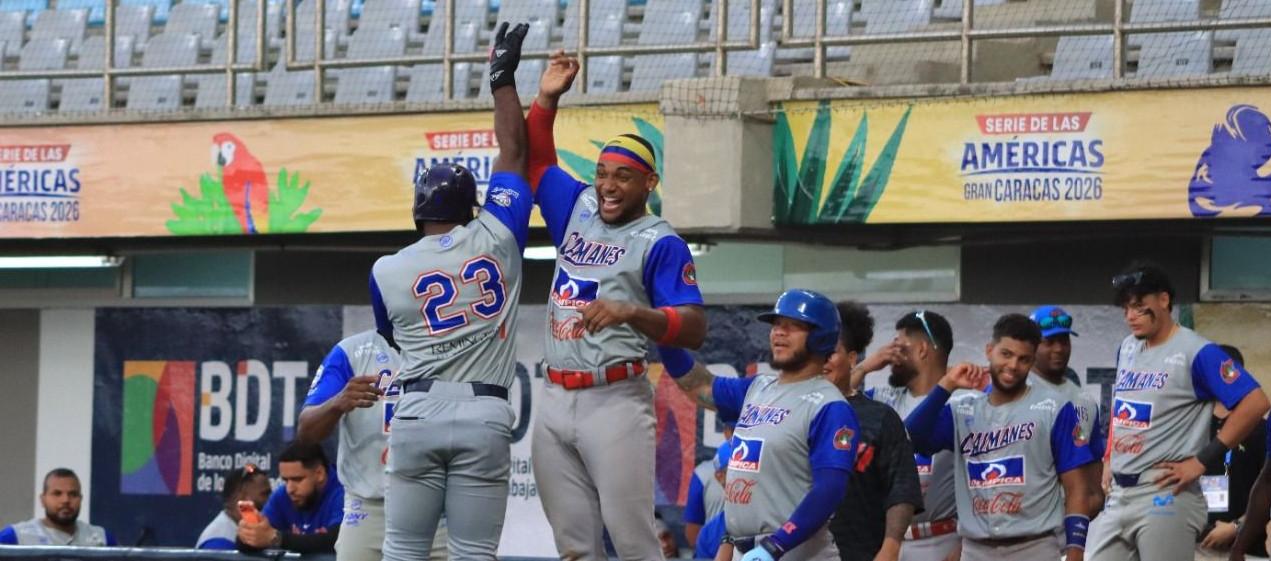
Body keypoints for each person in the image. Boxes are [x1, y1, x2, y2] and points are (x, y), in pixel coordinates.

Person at [526, 50, 707, 561]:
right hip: (555, 396)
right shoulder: (579, 206)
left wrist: (634, 313)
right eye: (603, 172)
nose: (607, 185)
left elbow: (694, 327)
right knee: (575, 549)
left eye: (622, 176)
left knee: (634, 543)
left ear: (649, 183)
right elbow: (539, 162)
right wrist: (546, 99)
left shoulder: (659, 240)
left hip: (614, 397)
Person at [372, 21, 534, 561]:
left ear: (417, 210)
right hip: (485, 412)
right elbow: (514, 152)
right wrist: (501, 77)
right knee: (472, 553)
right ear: (470, 207)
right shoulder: (499, 235)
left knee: (402, 549)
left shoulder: (386, 269)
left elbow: (390, 336)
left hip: (416, 409)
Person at [1086, 262, 1270, 561]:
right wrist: (1109, 457)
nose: (1130, 316)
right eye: (1126, 309)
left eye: (1138, 307)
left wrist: (1201, 461)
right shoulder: (1128, 348)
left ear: (1163, 299)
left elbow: (1256, 402)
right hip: (1121, 493)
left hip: (1164, 492)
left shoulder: (1197, 351)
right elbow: (1124, 409)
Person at [664, 289, 859, 561]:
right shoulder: (756, 389)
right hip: (747, 549)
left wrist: (775, 545)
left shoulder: (829, 406)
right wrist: (663, 333)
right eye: (777, 325)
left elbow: (830, 489)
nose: (779, 332)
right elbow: (698, 384)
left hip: (796, 550)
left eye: (793, 326)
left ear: (820, 336)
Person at [906, 314, 1101, 561]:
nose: (1013, 365)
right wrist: (946, 385)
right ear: (989, 351)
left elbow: (1077, 489)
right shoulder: (962, 408)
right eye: (1006, 354)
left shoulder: (1055, 409)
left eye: (1023, 359)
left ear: (1031, 363)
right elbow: (910, 438)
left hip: (1035, 547)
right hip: (976, 549)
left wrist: (1075, 553)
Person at [297, 329, 447, 561]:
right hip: (369, 506)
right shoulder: (351, 351)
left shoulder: (452, 348)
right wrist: (337, 403)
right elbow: (306, 433)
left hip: (436, 508)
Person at [850, 310, 960, 561]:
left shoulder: (963, 402)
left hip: (943, 539)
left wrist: (963, 547)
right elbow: (836, 397)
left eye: (899, 347)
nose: (891, 356)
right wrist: (866, 366)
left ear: (922, 349)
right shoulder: (882, 400)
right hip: (887, 541)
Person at [823, 301, 922, 561]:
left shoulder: (880, 417)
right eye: (815, 354)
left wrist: (890, 548)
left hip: (863, 552)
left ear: (852, 358)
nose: (822, 362)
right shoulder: (792, 412)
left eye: (831, 353)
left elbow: (902, 488)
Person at [1029, 306, 1107, 487]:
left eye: (1064, 341)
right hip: (1029, 508)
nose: (1058, 349)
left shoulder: (1084, 400)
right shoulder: (1019, 391)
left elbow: (1093, 462)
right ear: (1031, 346)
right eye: (1049, 341)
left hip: (1072, 505)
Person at [1206, 346, 1268, 561]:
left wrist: (1237, 526)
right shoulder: (1190, 426)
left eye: (1229, 372)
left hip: (1246, 549)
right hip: (1195, 545)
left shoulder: (1260, 428)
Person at [237, 441, 344, 554]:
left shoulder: (343, 492)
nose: (290, 489)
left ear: (319, 474)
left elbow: (336, 540)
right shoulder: (283, 495)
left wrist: (277, 538)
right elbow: (253, 541)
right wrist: (249, 534)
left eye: (297, 479)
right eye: (285, 480)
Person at [0, 468, 116, 546]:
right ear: (43, 500)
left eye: (73, 494)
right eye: (57, 493)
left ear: (80, 499)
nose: (65, 500)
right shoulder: (16, 536)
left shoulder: (102, 539)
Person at [196, 463, 272, 550]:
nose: (270, 500)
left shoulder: (252, 534)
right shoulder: (219, 544)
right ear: (241, 499)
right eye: (265, 494)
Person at [686, 436, 733, 550]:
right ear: (720, 477)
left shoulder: (772, 517)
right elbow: (692, 529)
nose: (745, 478)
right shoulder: (709, 534)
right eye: (734, 471)